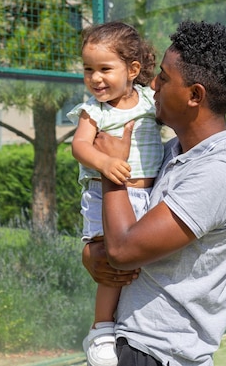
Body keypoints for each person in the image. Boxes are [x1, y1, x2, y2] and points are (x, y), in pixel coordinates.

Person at [84, 20, 226, 366]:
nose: (152, 85)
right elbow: (114, 248)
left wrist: (111, 168)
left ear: (195, 96)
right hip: (131, 344)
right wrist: (91, 255)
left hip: (157, 354)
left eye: (163, 77)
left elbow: (123, 249)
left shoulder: (218, 174)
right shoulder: (175, 151)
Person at [67, 21, 164, 366]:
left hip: (146, 197)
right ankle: (101, 330)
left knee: (141, 264)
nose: (95, 78)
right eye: (88, 69)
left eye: (105, 69)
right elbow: (79, 147)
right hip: (103, 195)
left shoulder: (151, 100)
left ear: (133, 69)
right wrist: (106, 162)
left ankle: (134, 324)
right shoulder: (93, 111)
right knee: (109, 265)